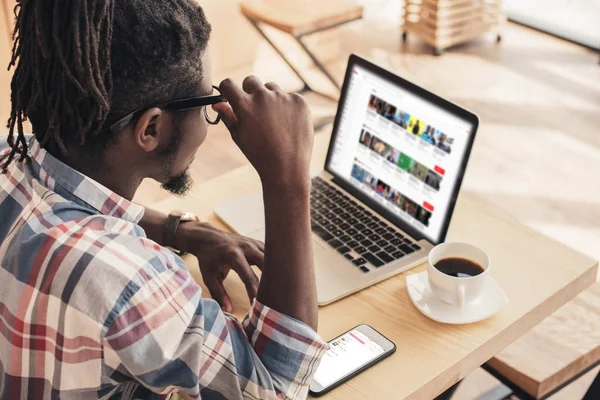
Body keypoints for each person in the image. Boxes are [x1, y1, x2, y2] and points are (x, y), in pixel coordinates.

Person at [0, 1, 327, 399]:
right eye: (207, 101)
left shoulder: (9, 157)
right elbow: (275, 387)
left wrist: (178, 230)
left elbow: (75, 207)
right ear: (151, 128)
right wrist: (288, 177)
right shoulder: (130, 284)